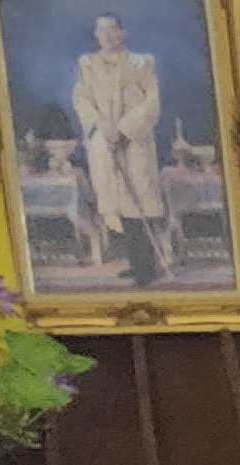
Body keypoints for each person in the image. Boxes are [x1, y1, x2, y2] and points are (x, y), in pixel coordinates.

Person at [71, 13, 165, 287]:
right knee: (118, 207)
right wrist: (101, 126)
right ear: (96, 35)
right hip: (103, 143)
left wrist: (123, 129)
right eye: (101, 29)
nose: (107, 34)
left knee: (138, 203)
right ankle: (136, 264)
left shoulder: (142, 63)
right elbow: (82, 100)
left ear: (122, 33)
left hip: (134, 144)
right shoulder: (87, 64)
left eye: (112, 29)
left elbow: (151, 104)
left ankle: (147, 268)